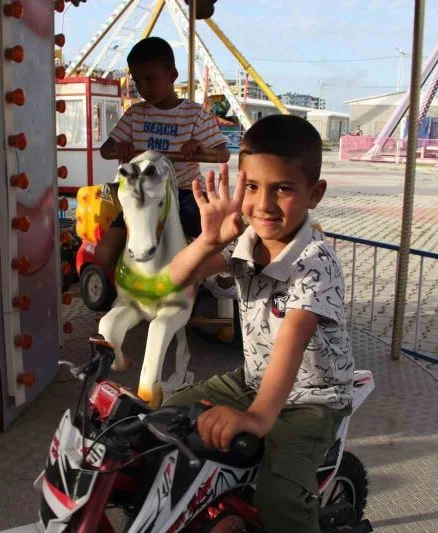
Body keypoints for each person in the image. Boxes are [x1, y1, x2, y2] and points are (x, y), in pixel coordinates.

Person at [165, 114, 354, 533]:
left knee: (281, 492)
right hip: (254, 377)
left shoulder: (316, 263)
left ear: (314, 193)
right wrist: (208, 240)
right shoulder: (244, 242)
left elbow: (293, 340)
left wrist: (257, 418)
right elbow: (177, 278)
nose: (264, 205)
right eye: (252, 187)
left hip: (312, 396)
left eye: (282, 189)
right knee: (167, 416)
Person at [96, 36, 230, 269]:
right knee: (105, 253)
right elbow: (106, 149)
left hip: (184, 192)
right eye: (138, 81)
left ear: (172, 75)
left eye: (150, 79)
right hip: (141, 192)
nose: (144, 88)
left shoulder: (194, 114)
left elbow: (223, 154)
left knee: (211, 237)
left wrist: (200, 147)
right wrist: (119, 147)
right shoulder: (135, 114)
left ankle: (217, 278)